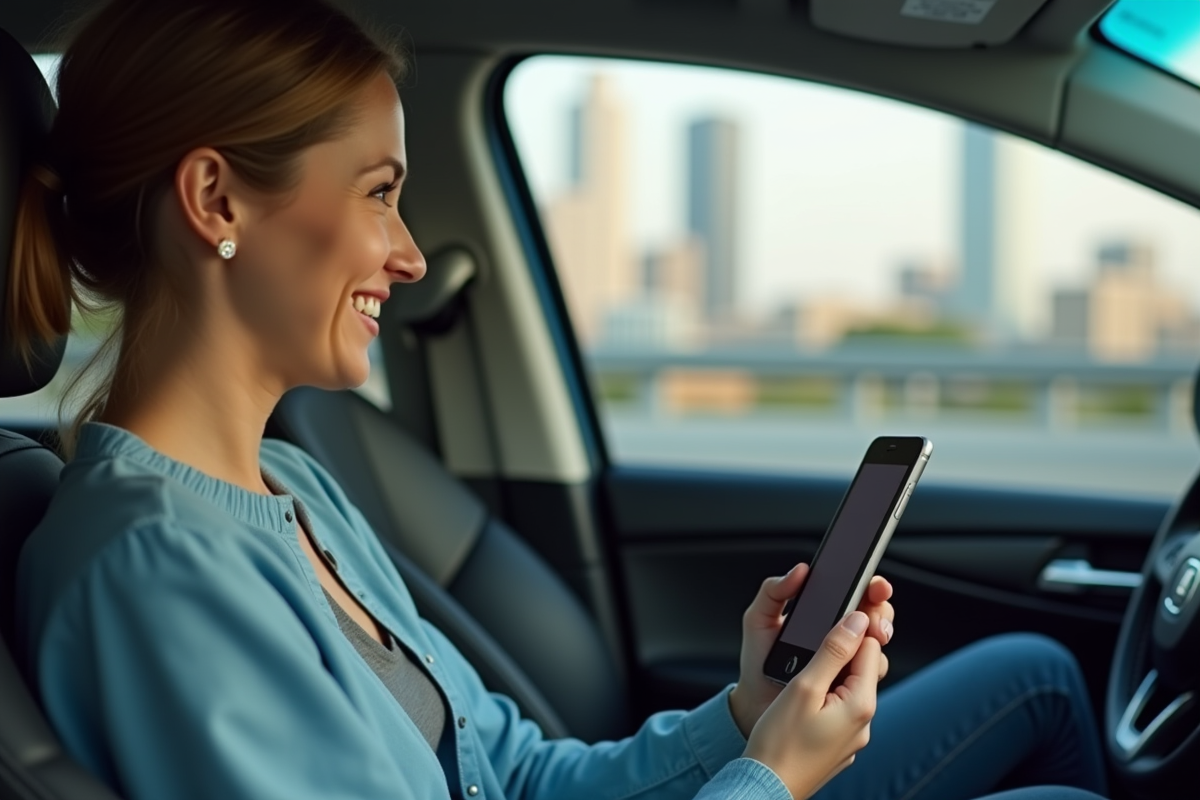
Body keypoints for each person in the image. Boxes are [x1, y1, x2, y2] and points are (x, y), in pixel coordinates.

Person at [8, 1, 1111, 799]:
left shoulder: (291, 486)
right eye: (380, 195)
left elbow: (516, 775)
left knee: (1039, 692)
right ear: (214, 198)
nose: (406, 254)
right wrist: (767, 779)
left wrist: (742, 717)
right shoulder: (151, 567)